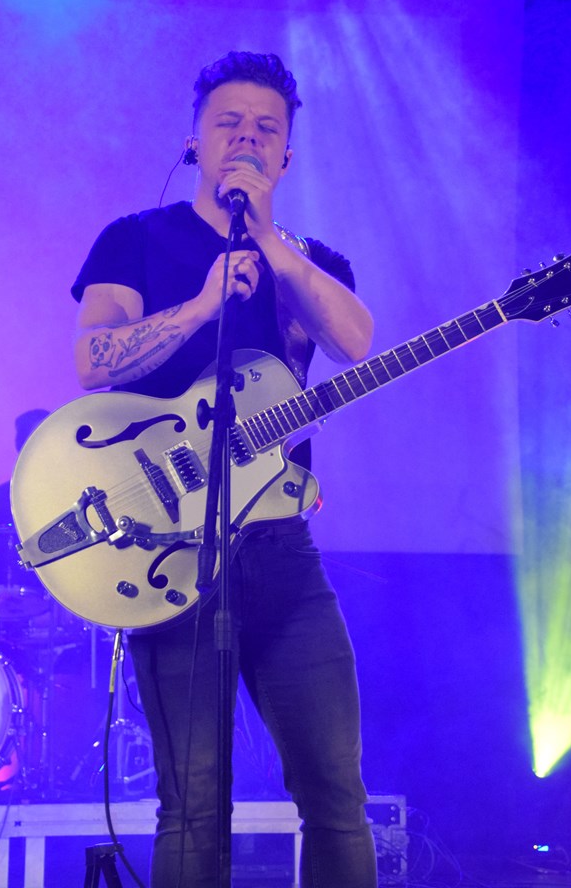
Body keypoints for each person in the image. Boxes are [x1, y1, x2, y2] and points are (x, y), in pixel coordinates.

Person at [71, 51, 377, 887]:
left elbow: (356, 342)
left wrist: (269, 242)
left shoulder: (308, 259)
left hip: (282, 554)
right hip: (171, 552)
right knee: (194, 804)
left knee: (335, 794)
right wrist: (203, 304)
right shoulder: (134, 239)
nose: (246, 138)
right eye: (228, 123)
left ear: (286, 156)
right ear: (193, 141)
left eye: (265, 129)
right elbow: (93, 360)